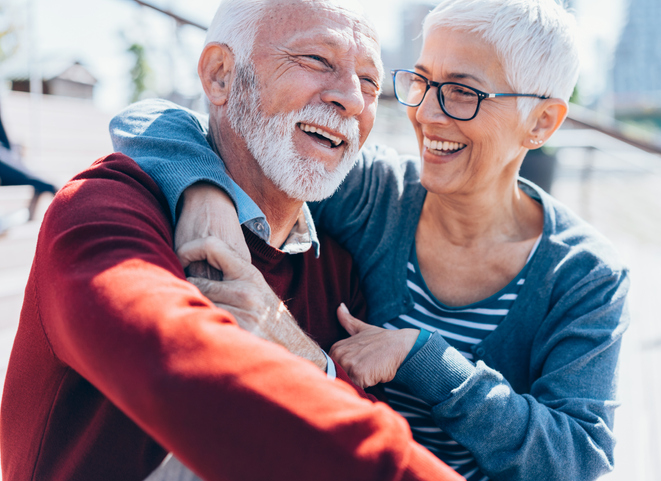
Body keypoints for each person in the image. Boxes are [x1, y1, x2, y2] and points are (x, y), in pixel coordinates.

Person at [110, 1, 630, 481]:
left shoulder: (586, 277)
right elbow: (153, 122)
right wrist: (207, 191)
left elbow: (578, 460)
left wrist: (425, 359)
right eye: (421, 82)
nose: (427, 114)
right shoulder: (375, 193)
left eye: (463, 93)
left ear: (541, 122)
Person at [0, 1, 466, 480]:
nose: (352, 97)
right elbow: (186, 372)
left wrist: (303, 352)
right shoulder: (104, 211)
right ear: (220, 75)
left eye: (370, 82)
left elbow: (343, 417)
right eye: (317, 60)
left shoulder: (339, 271)